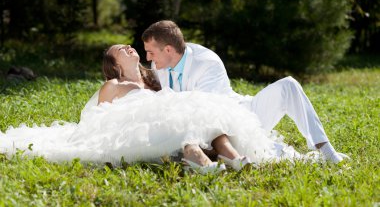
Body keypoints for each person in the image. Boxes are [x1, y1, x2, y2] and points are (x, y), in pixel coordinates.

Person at [1, 44, 309, 174]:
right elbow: (100, 119)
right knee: (181, 117)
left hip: (168, 111)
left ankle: (235, 158)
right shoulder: (113, 86)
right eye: (121, 51)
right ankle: (198, 159)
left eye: (128, 46)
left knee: (202, 111)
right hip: (141, 122)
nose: (129, 48)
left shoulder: (155, 82)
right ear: (115, 66)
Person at [142, 20, 349, 164]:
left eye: (151, 51)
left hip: (240, 118)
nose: (148, 57)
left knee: (289, 86)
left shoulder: (206, 63)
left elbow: (203, 108)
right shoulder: (159, 64)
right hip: (207, 132)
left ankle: (325, 149)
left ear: (168, 49)